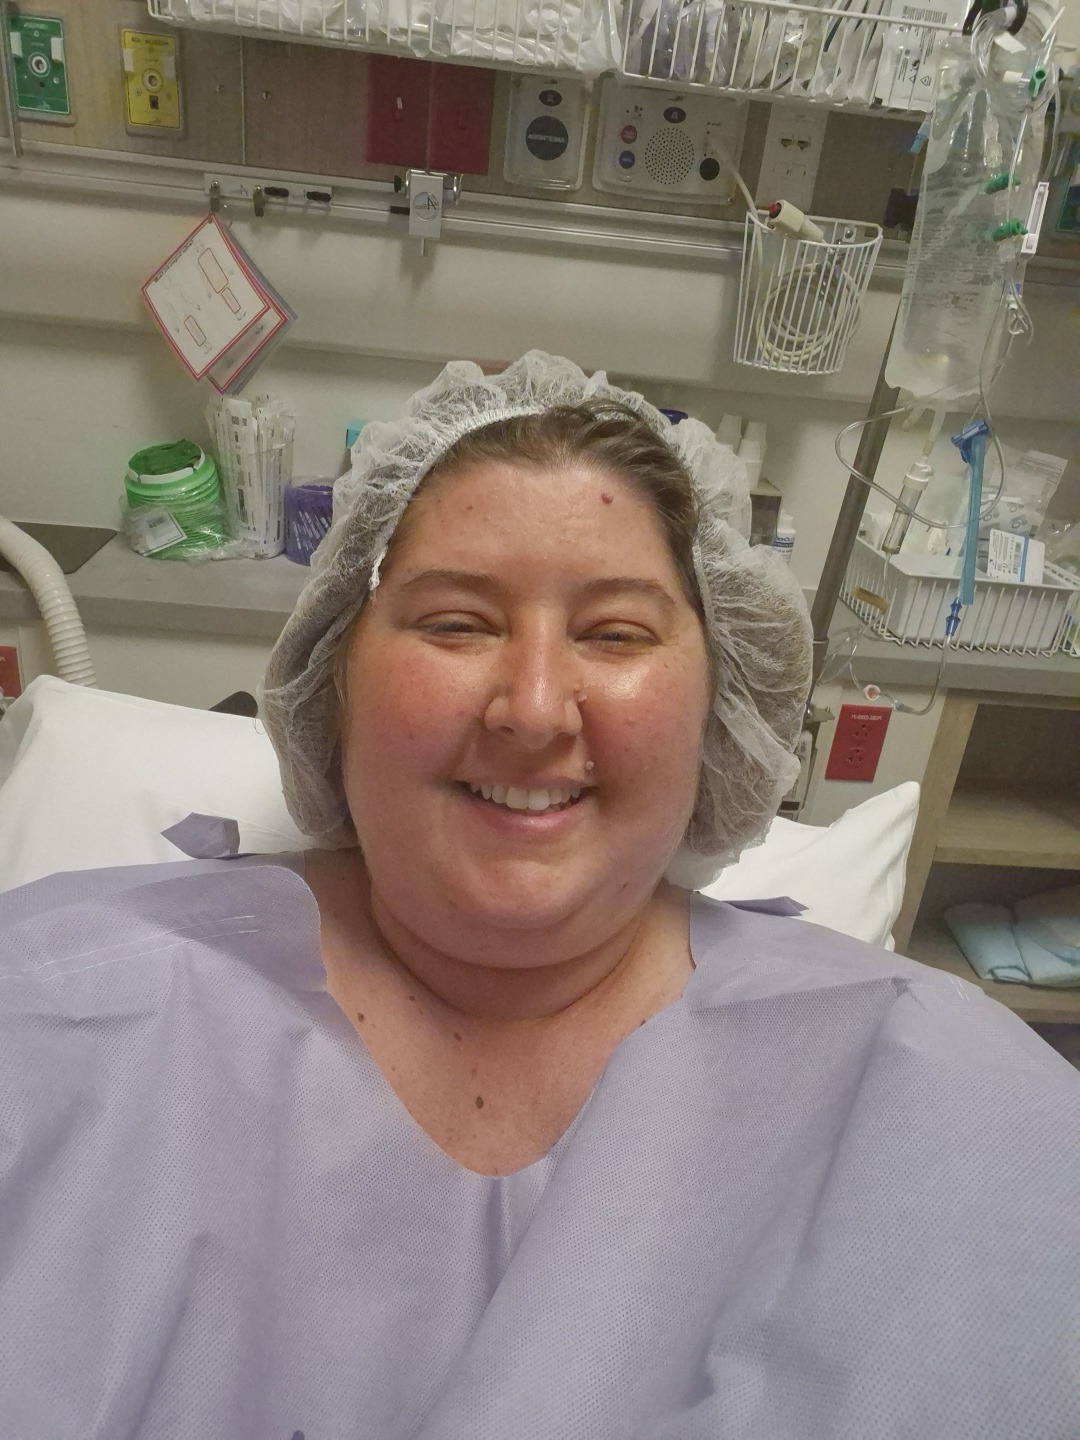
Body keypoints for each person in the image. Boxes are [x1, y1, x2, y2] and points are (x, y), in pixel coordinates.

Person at [0, 353, 1077, 1440]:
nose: (532, 708)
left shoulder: (949, 1101)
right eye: (457, 622)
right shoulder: (54, 1012)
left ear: (719, 705)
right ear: (337, 678)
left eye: (615, 634)